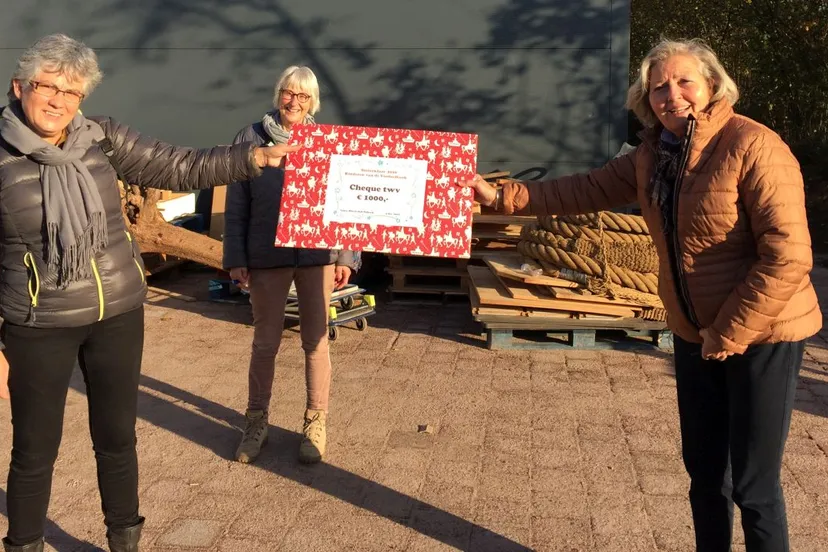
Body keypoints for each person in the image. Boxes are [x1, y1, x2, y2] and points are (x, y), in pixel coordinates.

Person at [461, 38, 821, 552]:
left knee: (754, 485)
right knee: (703, 475)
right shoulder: (652, 155)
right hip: (696, 332)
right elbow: (581, 191)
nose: (671, 95)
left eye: (683, 82)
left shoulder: (754, 145)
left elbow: (788, 256)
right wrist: (502, 195)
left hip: (765, 332)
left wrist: (728, 332)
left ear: (712, 85)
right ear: (645, 98)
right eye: (657, 87)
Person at [0, 34, 298, 552]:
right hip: (37, 322)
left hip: (116, 312)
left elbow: (180, 165)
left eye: (72, 93)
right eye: (48, 86)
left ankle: (124, 538)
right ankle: (24, 542)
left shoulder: (102, 137)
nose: (58, 101)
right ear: (19, 85)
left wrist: (254, 159)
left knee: (117, 438)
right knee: (34, 449)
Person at [223, 66, 359, 466]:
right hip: (267, 256)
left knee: (316, 342)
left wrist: (346, 255)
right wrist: (236, 259)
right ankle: (256, 422)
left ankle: (315, 423)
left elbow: (348, 200)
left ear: (312, 101)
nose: (293, 102)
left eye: (302, 96)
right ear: (277, 94)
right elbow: (236, 206)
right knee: (265, 342)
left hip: (317, 257)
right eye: (288, 93)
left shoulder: (328, 142)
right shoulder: (249, 140)